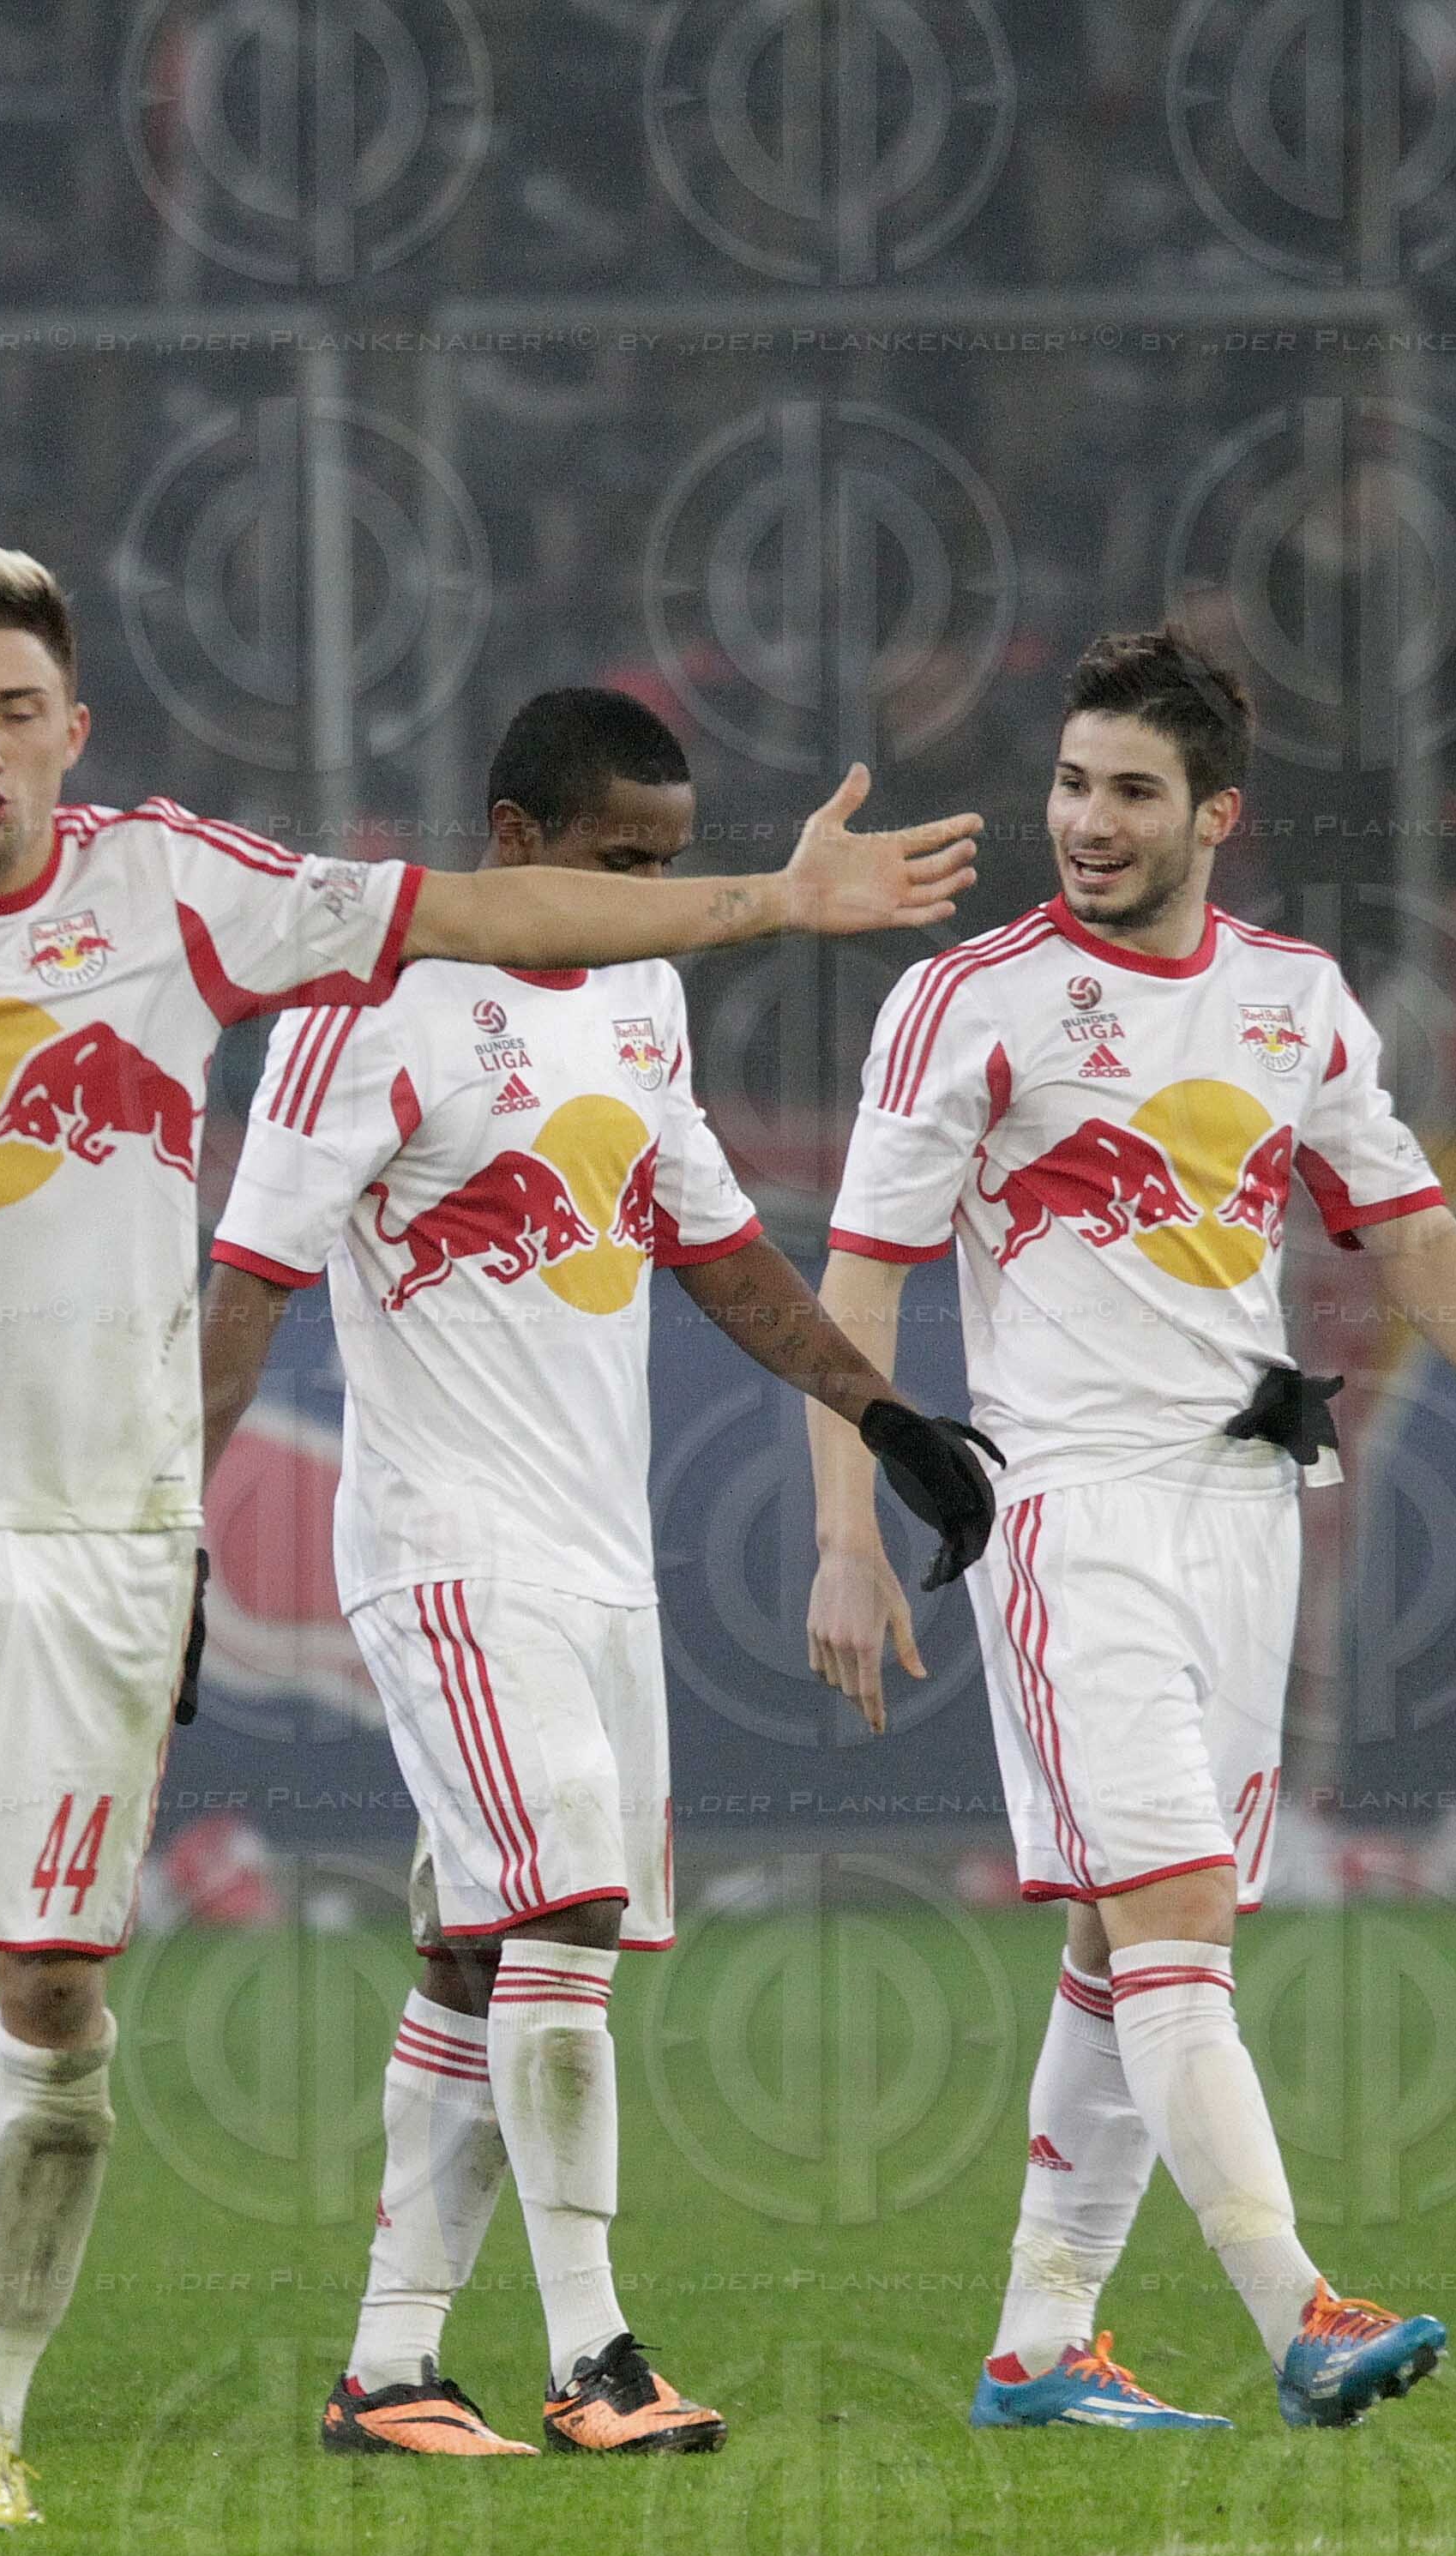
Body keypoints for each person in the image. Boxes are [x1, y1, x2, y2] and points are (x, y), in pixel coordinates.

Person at [0, 523, 982, 2529]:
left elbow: (468, 911)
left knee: (55, 2011)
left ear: (71, 733)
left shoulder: (177, 891)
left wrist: (767, 905)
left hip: (87, 1536)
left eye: (14, 712)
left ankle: (37, 2367)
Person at [803, 629, 1456, 2435]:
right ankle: (1299, 2309)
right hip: (1066, 1511)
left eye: (1128, 792)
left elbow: (1408, 1229)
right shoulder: (970, 1000)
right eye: (1067, 784)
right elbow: (857, 1276)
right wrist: (848, 1533)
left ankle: (1040, 2345)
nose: (1085, 823)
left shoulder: (1292, 997)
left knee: (1134, 1946)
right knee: (1172, 1914)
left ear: (1214, 815)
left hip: (1246, 1502)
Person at [196, 687, 1001, 2458]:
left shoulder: (642, 998)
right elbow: (248, 1280)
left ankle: (390, 2366)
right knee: (559, 1905)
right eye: (617, 861)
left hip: (595, 1560)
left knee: (483, 1953)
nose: (653, 891)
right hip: (441, 1551)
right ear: (510, 841)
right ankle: (595, 2353)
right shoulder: (368, 1000)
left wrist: (883, 1416)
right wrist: (174, 1535)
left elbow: (709, 1241)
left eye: (670, 862)